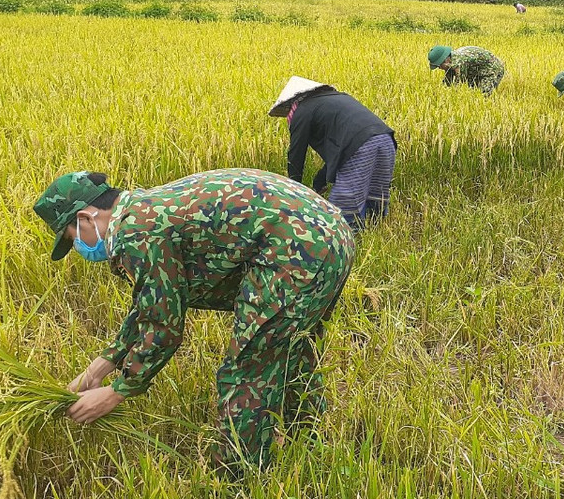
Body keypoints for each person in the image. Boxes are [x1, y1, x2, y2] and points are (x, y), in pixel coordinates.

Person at [35, 169, 355, 471]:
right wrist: (98, 369)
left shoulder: (136, 233)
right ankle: (311, 443)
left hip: (294, 248)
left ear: (86, 217)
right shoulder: (142, 210)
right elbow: (150, 306)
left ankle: (240, 480)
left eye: (72, 237)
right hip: (329, 233)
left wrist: (116, 391)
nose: (78, 247)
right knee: (290, 349)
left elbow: (163, 327)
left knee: (247, 370)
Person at [269, 75, 396, 231]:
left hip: (360, 146)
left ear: (292, 102)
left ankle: (348, 240)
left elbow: (296, 154)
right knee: (376, 190)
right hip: (385, 139)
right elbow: (339, 151)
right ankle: (377, 231)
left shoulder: (302, 110)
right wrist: (319, 182)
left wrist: (295, 190)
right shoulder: (335, 99)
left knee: (346, 199)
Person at [427, 45, 506, 96]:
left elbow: (458, 86)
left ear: (446, 60)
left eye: (439, 65)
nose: (440, 68)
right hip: (476, 70)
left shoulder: (459, 63)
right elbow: (448, 81)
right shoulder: (451, 61)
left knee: (483, 96)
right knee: (472, 93)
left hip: (492, 70)